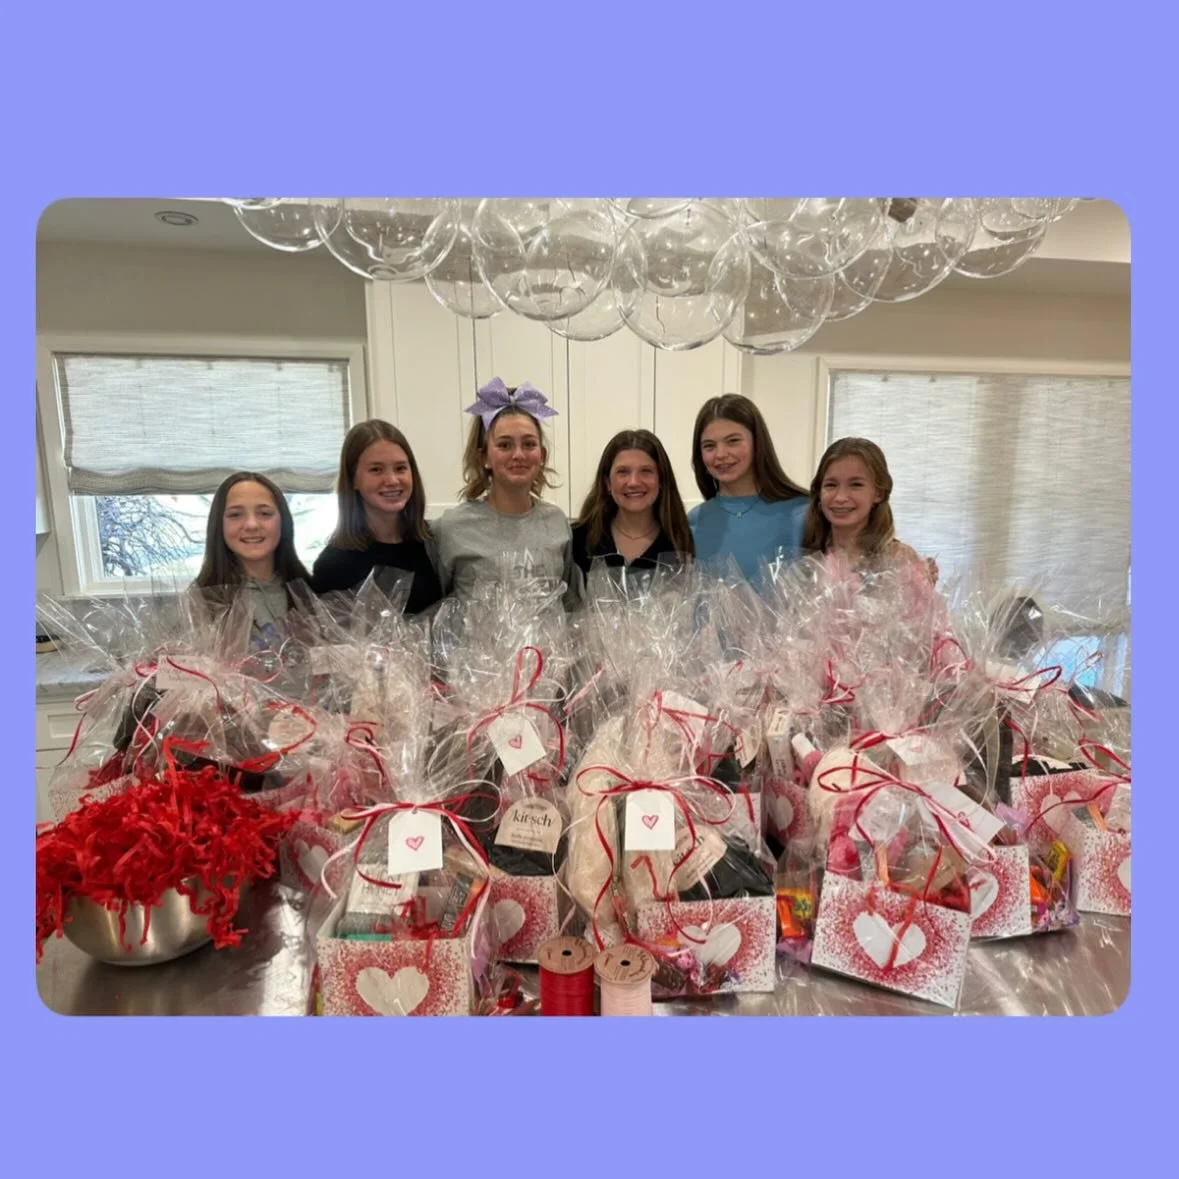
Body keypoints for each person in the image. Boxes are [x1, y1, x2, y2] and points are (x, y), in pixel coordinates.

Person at [433, 378, 577, 601]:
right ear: (484, 457)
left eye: (529, 444)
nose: (518, 455)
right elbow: (434, 608)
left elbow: (568, 605)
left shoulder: (557, 523)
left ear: (542, 456)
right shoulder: (452, 528)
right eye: (504, 445)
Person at [311, 420, 443, 614]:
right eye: (376, 470)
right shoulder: (333, 564)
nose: (392, 480)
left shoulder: (435, 544)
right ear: (353, 479)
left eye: (400, 468)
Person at [688, 393, 810, 583]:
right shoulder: (696, 520)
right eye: (709, 446)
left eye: (733, 441)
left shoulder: (802, 513)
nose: (720, 454)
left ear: (757, 442)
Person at [194, 471, 312, 650]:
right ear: (219, 525)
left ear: (283, 522)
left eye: (264, 513)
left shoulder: (312, 593)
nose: (251, 525)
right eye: (235, 515)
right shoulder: (200, 601)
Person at [801, 436, 931, 577]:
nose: (840, 497)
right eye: (831, 485)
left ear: (879, 493)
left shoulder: (899, 560)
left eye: (856, 485)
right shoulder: (807, 564)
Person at [571, 429, 694, 577]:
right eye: (623, 472)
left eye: (646, 471)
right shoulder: (578, 539)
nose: (634, 482)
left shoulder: (681, 540)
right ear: (607, 483)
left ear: (661, 480)